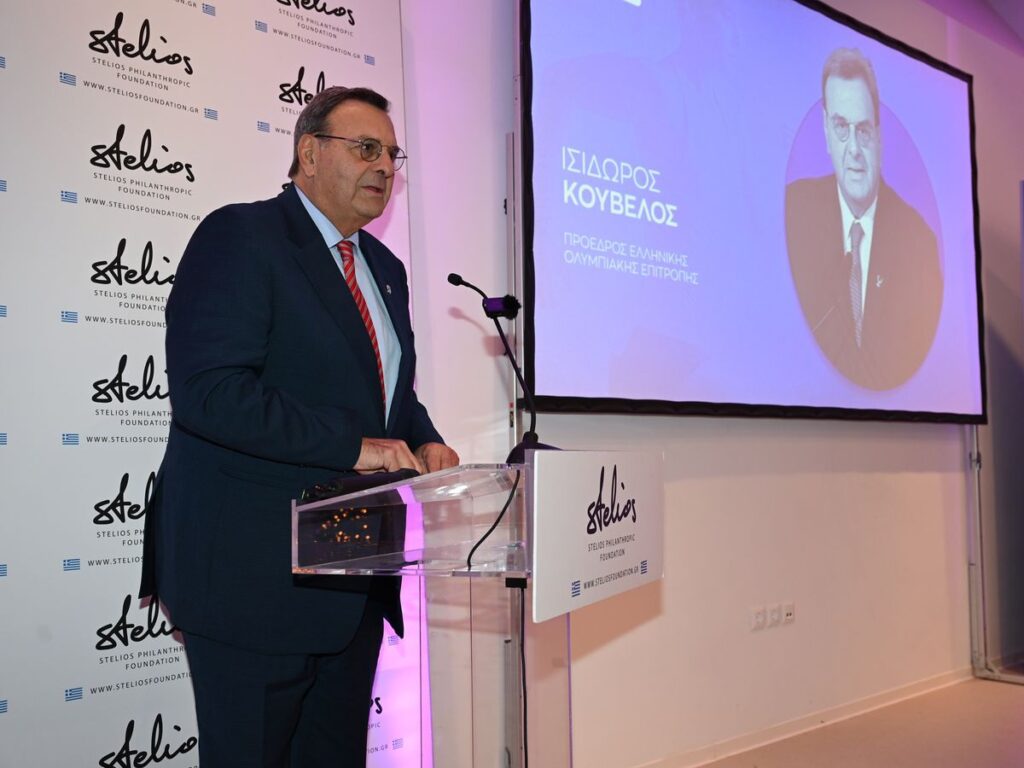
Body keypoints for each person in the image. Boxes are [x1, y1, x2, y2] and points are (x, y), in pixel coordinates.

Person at [139, 85, 459, 767]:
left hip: (353, 573)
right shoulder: (242, 237)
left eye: (392, 155)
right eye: (366, 148)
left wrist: (424, 437)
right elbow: (210, 394)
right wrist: (355, 447)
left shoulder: (385, 269)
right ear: (309, 154)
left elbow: (386, 395)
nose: (384, 166)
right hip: (253, 578)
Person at [786, 47, 943, 391]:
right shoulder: (796, 211)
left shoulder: (918, 242)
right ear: (826, 133)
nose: (854, 149)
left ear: (879, 137)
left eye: (864, 130)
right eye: (842, 127)